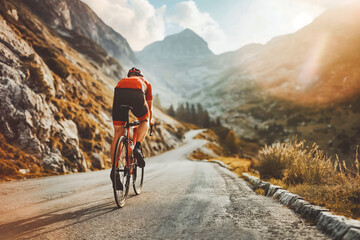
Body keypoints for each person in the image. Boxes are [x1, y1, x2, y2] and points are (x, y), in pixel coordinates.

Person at [110, 67, 153, 189]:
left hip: (119, 92)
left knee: (118, 132)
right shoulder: (146, 83)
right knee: (145, 120)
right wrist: (151, 120)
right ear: (141, 76)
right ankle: (137, 147)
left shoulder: (123, 80)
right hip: (136, 92)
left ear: (129, 75)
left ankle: (114, 169)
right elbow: (149, 108)